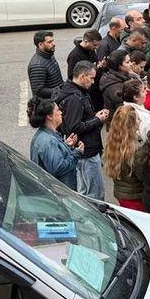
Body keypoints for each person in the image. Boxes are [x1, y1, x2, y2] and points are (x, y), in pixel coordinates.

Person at [52, 61, 109, 199]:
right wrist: (97, 120)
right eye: (91, 78)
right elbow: (75, 127)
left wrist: (94, 117)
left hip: (83, 149)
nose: (93, 82)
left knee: (84, 191)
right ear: (82, 76)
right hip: (86, 150)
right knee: (95, 193)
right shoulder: (75, 98)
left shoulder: (73, 91)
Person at [28, 97, 83, 190]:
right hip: (60, 192)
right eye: (57, 110)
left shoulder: (44, 135)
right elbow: (58, 168)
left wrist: (66, 145)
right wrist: (77, 153)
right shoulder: (48, 141)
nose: (61, 112)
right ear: (49, 116)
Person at [103, 104, 144, 211]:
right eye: (138, 119)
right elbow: (144, 176)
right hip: (135, 195)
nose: (140, 121)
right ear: (131, 124)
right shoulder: (135, 150)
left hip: (121, 192)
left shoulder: (113, 141)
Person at [99, 50, 135, 119]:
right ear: (119, 66)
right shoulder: (115, 87)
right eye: (127, 62)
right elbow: (125, 110)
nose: (131, 64)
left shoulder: (125, 76)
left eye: (130, 61)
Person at [28, 31, 63, 99]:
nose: (53, 44)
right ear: (40, 45)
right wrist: (59, 91)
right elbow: (39, 91)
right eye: (49, 42)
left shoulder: (49, 55)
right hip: (49, 103)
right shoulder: (37, 66)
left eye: (53, 41)